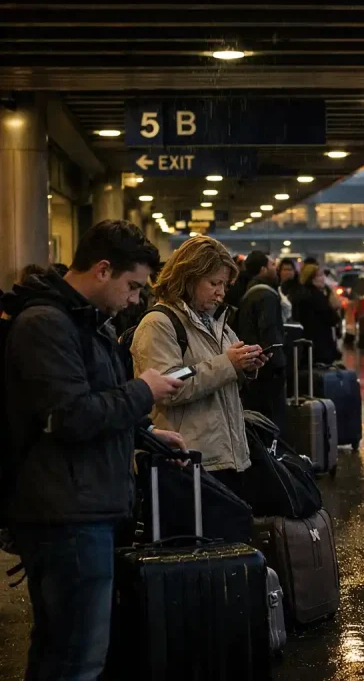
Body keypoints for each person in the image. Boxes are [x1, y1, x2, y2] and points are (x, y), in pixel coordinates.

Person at [2, 220, 184, 681]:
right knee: (77, 658)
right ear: (103, 270)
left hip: (80, 504)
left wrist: (144, 434)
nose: (136, 299)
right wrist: (143, 392)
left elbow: (96, 404)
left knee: (61, 652)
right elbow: (71, 416)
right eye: (133, 286)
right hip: (67, 513)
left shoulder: (84, 322)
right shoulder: (46, 324)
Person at [130, 236, 269, 496]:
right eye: (213, 283)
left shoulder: (216, 321)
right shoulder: (159, 324)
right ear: (188, 277)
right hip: (187, 462)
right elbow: (170, 385)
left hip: (229, 457)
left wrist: (246, 366)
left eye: (224, 285)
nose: (221, 292)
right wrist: (228, 363)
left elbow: (225, 376)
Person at [234, 251, 288, 432]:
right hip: (267, 368)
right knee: (272, 418)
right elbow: (269, 331)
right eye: (272, 265)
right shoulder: (266, 295)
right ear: (263, 269)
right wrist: (278, 363)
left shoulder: (249, 291)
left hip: (253, 364)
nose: (276, 269)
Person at [291, 262, 341, 365]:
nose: (323, 278)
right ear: (311, 278)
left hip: (304, 344)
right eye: (319, 275)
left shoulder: (299, 293)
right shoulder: (317, 296)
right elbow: (332, 318)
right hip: (320, 345)